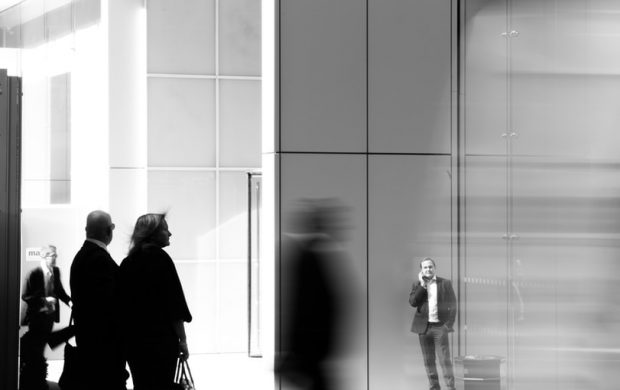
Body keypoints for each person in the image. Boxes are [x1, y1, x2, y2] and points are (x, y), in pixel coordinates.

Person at [277, 199, 356, 390]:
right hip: (312, 349)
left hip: (313, 350)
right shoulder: (311, 256)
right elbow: (303, 305)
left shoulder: (312, 253)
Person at [118, 213, 192, 390]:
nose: (170, 233)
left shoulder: (128, 263)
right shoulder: (161, 260)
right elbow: (174, 304)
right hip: (161, 342)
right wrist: (183, 340)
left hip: (134, 344)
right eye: (165, 229)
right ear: (152, 233)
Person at [69, 210, 127, 390]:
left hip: (89, 341)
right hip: (104, 346)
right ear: (108, 231)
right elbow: (108, 304)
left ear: (87, 229)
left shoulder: (82, 256)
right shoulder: (99, 259)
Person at [20, 245, 71, 390]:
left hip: (50, 316)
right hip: (36, 316)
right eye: (52, 255)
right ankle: (35, 380)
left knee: (41, 345)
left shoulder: (55, 271)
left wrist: (69, 302)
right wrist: (44, 300)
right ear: (44, 257)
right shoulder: (34, 273)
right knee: (36, 346)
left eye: (56, 255)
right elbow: (25, 296)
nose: (55, 258)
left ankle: (38, 378)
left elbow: (59, 291)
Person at [409, 257, 457, 390]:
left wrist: (448, 325)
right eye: (425, 267)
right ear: (421, 270)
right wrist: (423, 286)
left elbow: (453, 305)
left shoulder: (445, 283)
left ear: (434, 268)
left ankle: (450, 387)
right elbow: (413, 302)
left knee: (444, 360)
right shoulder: (417, 284)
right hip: (423, 329)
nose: (428, 269)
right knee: (428, 361)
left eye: (430, 267)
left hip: (440, 327)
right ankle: (434, 387)